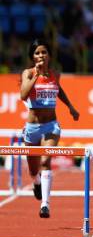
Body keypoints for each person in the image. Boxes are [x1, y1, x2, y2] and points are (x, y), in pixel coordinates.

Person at [20, 39, 80, 218]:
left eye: (44, 52)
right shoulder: (28, 73)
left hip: (51, 125)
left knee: (46, 162)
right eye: (37, 53)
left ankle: (45, 205)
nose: (41, 56)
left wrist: (70, 106)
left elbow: (58, 89)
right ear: (33, 57)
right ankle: (37, 182)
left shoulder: (55, 74)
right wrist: (37, 75)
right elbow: (23, 95)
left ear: (49, 55)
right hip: (32, 127)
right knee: (32, 169)